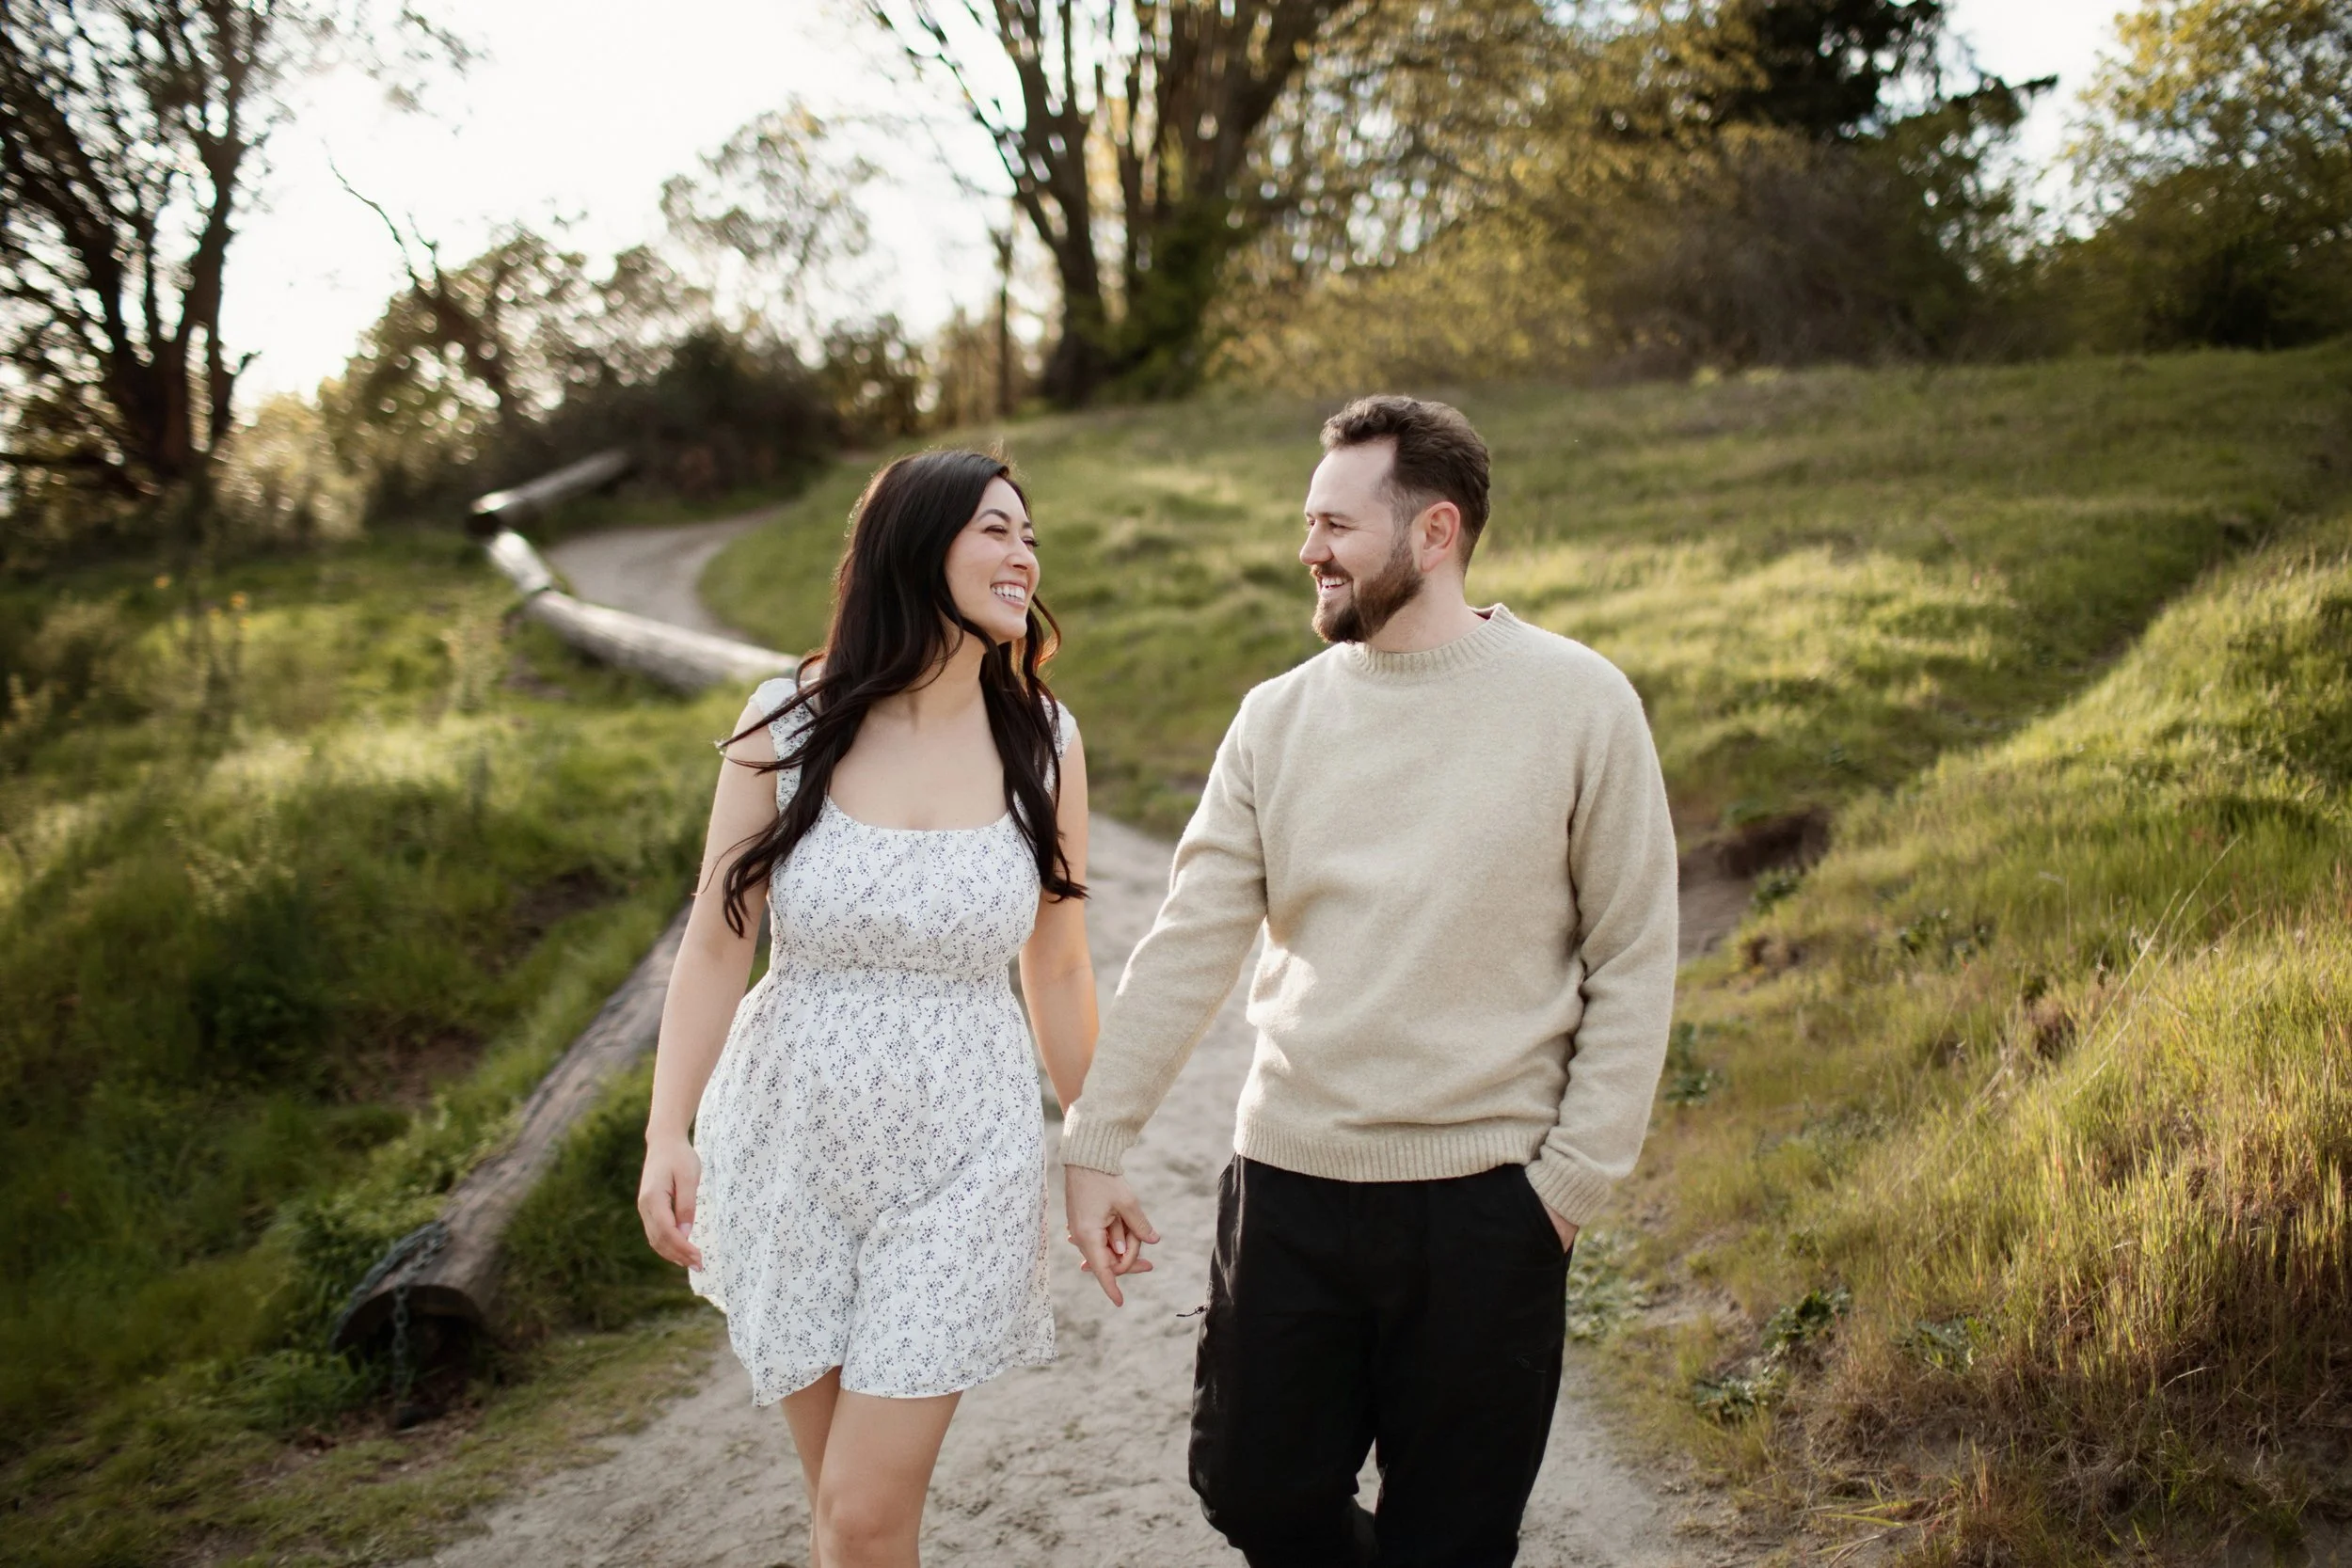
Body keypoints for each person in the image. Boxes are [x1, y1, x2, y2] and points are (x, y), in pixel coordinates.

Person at [1060, 396, 1680, 1567]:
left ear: (1434, 531)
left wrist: (1568, 1185)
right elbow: (1190, 937)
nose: (1310, 550)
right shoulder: (1275, 719)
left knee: (1451, 1539)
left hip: (1489, 1203)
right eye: (1308, 522)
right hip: (1290, 1185)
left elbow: (1635, 953)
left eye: (1336, 524)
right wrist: (1097, 1135)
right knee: (1251, 1489)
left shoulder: (1579, 701)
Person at [636, 450, 1098, 1568]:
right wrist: (667, 1125)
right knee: (842, 1508)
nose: (1022, 551)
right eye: (994, 527)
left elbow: (1062, 969)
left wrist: (1098, 1144)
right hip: (789, 1147)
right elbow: (716, 939)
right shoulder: (787, 723)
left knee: (861, 1508)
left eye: (1028, 532)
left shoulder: (1043, 740)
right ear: (914, 543)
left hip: (964, 1161)